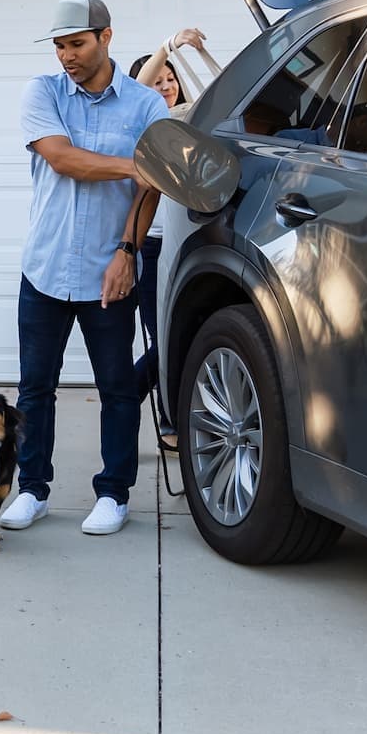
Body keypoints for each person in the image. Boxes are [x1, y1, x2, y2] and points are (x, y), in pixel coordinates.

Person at [0, 0, 172, 538]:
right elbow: (61, 157)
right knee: (34, 388)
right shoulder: (42, 91)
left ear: (106, 37)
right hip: (45, 267)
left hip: (109, 268)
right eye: (59, 46)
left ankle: (114, 494)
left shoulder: (147, 106)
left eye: (76, 43)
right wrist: (135, 165)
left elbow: (153, 194)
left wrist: (127, 252)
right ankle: (32, 490)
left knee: (118, 387)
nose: (66, 56)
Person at [127, 27, 223, 443]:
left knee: (181, 335)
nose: (166, 85)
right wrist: (168, 46)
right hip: (151, 244)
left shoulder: (192, 117)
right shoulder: (145, 119)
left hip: (189, 240)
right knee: (162, 337)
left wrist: (200, 55)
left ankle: (127, 398)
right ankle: (158, 416)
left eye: (171, 78)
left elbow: (227, 91)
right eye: (159, 79)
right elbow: (136, 87)